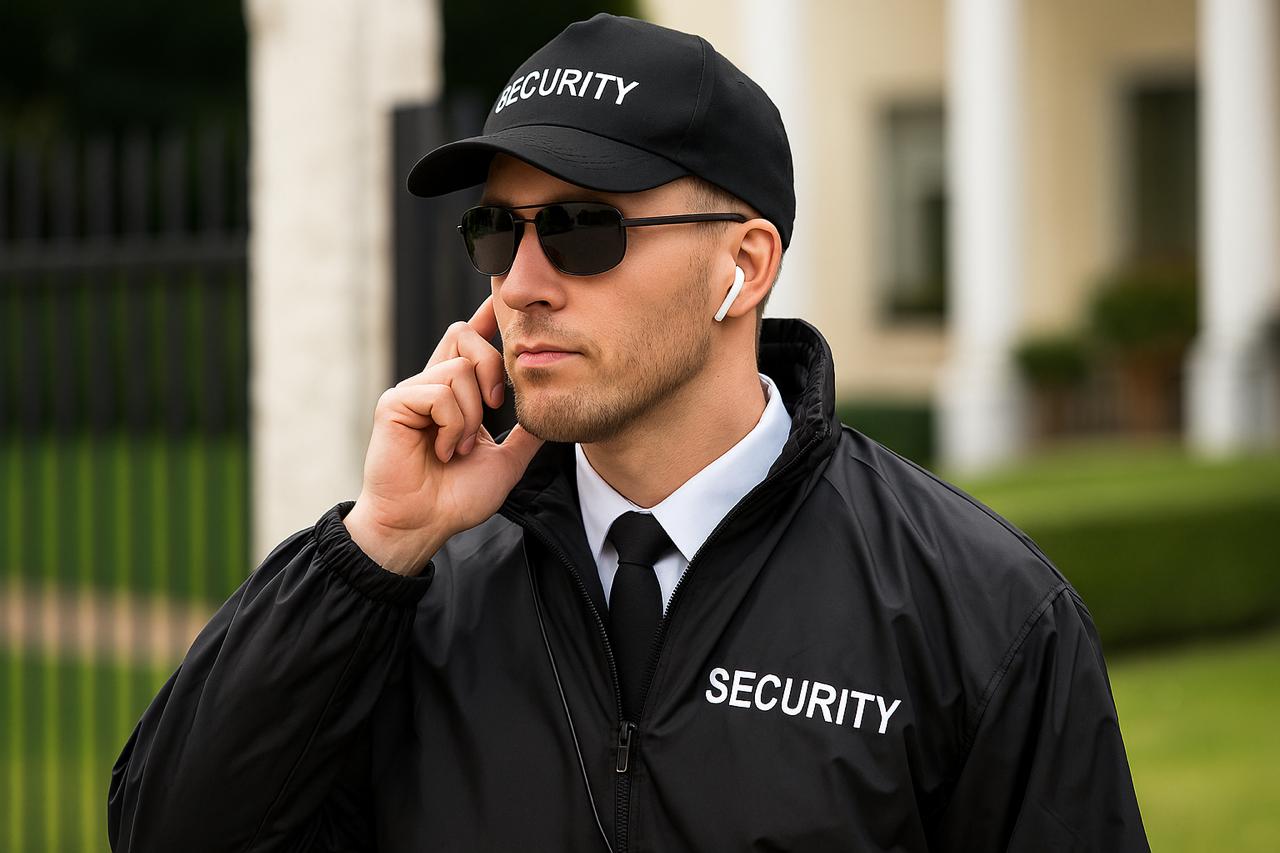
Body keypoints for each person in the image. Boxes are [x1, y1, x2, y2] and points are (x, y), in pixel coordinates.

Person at [107, 12, 1149, 853]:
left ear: (743, 264)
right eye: (497, 231)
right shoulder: (417, 594)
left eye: (580, 228)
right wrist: (374, 545)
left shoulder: (979, 611)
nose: (520, 284)